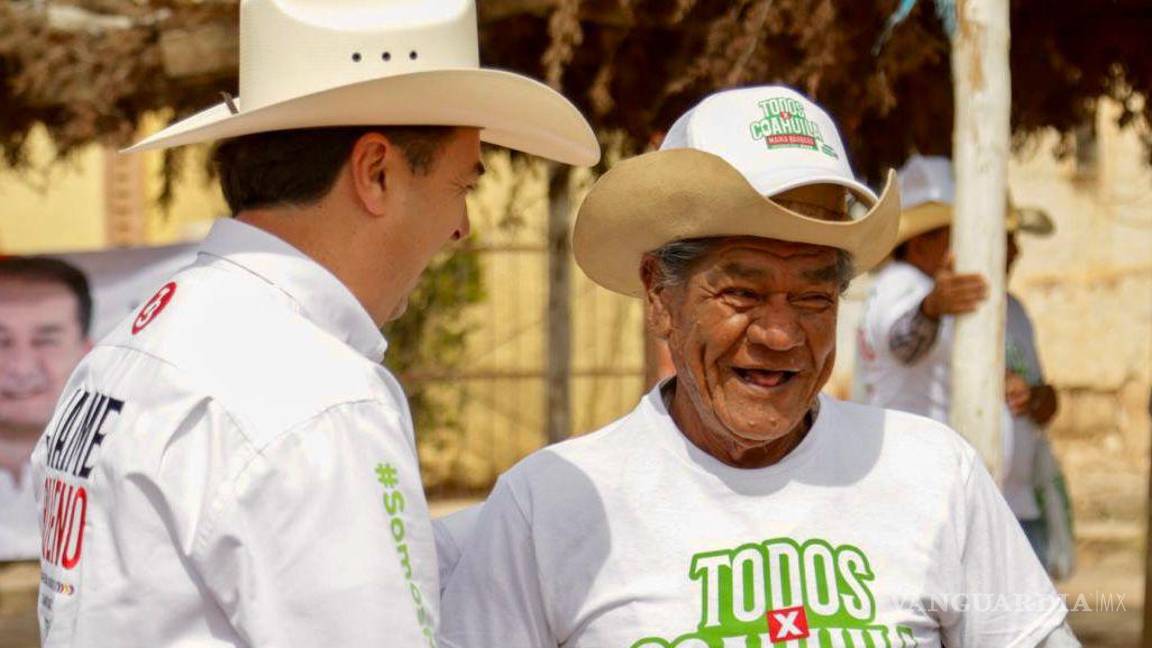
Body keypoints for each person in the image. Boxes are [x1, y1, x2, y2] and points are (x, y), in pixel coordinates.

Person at [31, 0, 598, 646]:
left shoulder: (135, 344)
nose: (462, 228)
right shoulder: (316, 399)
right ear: (376, 173)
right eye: (461, 185)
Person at [440, 86, 1077, 647]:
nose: (779, 334)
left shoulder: (936, 476)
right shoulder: (551, 503)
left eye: (812, 297)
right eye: (741, 293)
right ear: (659, 295)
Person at [0, 258, 93, 561]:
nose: (21, 368)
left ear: (87, 352)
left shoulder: (129, 476)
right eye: (2, 342)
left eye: (46, 341)